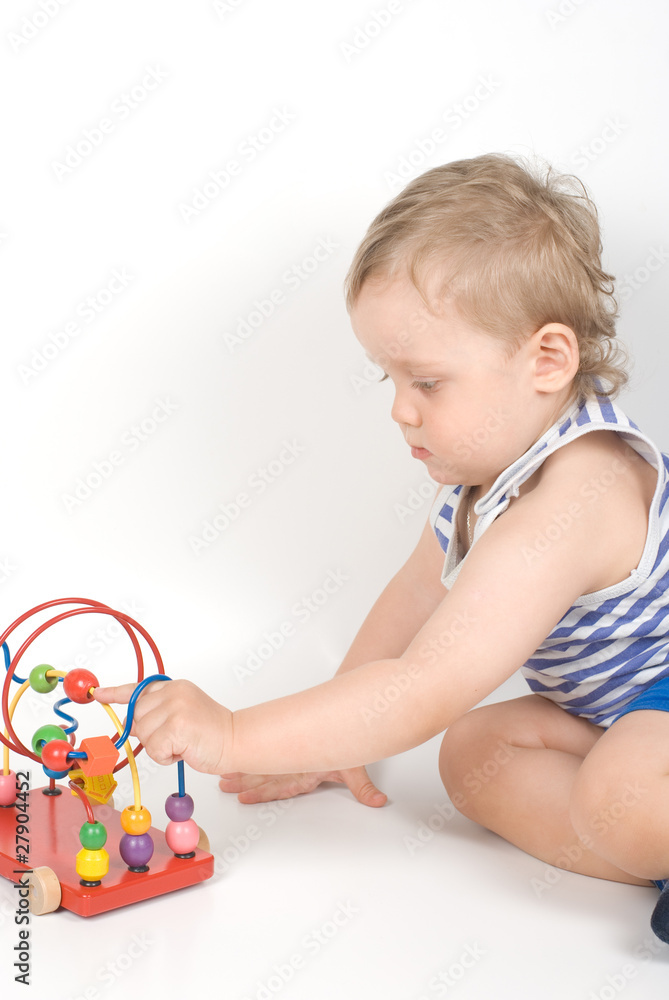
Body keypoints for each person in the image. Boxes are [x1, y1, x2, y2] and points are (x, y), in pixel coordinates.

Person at [95, 153, 669, 942]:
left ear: (546, 361)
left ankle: (637, 831)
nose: (400, 409)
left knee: (618, 796)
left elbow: (422, 687)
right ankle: (645, 852)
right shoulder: (487, 479)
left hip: (653, 709)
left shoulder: (573, 499)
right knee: (473, 757)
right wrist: (332, 740)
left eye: (426, 382)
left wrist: (231, 733)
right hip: (619, 711)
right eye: (386, 380)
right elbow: (416, 596)